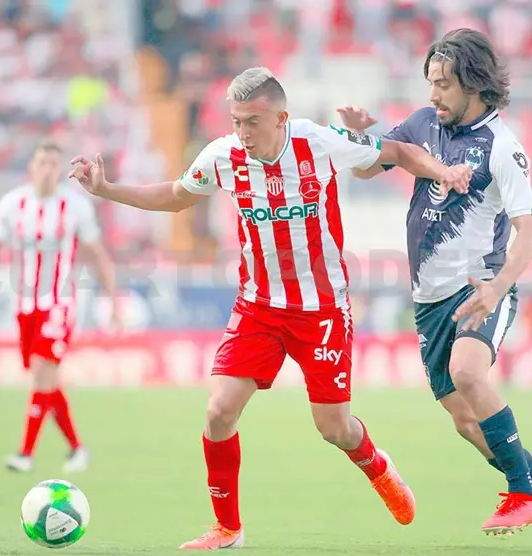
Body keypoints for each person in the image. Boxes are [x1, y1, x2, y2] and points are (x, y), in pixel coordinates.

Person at [69, 66, 469, 551]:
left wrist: (444, 172)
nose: (243, 132)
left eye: (252, 122)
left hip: (322, 309)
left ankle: (378, 467)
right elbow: (176, 196)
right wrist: (107, 189)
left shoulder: (318, 142)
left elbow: (398, 152)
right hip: (258, 306)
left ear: (281, 118)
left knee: (334, 429)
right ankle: (228, 528)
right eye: (236, 121)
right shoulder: (223, 156)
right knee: (219, 412)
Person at [336, 29, 532, 548]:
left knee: (468, 373)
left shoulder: (503, 147)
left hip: (479, 288)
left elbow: (530, 232)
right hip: (428, 300)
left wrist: (498, 287)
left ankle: (523, 494)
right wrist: (359, 139)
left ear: (473, 83)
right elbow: (370, 169)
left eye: (443, 84)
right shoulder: (424, 123)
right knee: (467, 423)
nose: (434, 94)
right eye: (430, 82)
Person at [0, 141, 119, 474]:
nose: (47, 169)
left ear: (60, 170)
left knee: (43, 369)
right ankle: (77, 449)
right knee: (45, 378)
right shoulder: (13, 204)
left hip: (61, 302)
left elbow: (99, 256)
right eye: (42, 162)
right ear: (31, 167)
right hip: (25, 304)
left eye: (53, 164)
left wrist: (113, 301)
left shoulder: (76, 206)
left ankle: (25, 454)